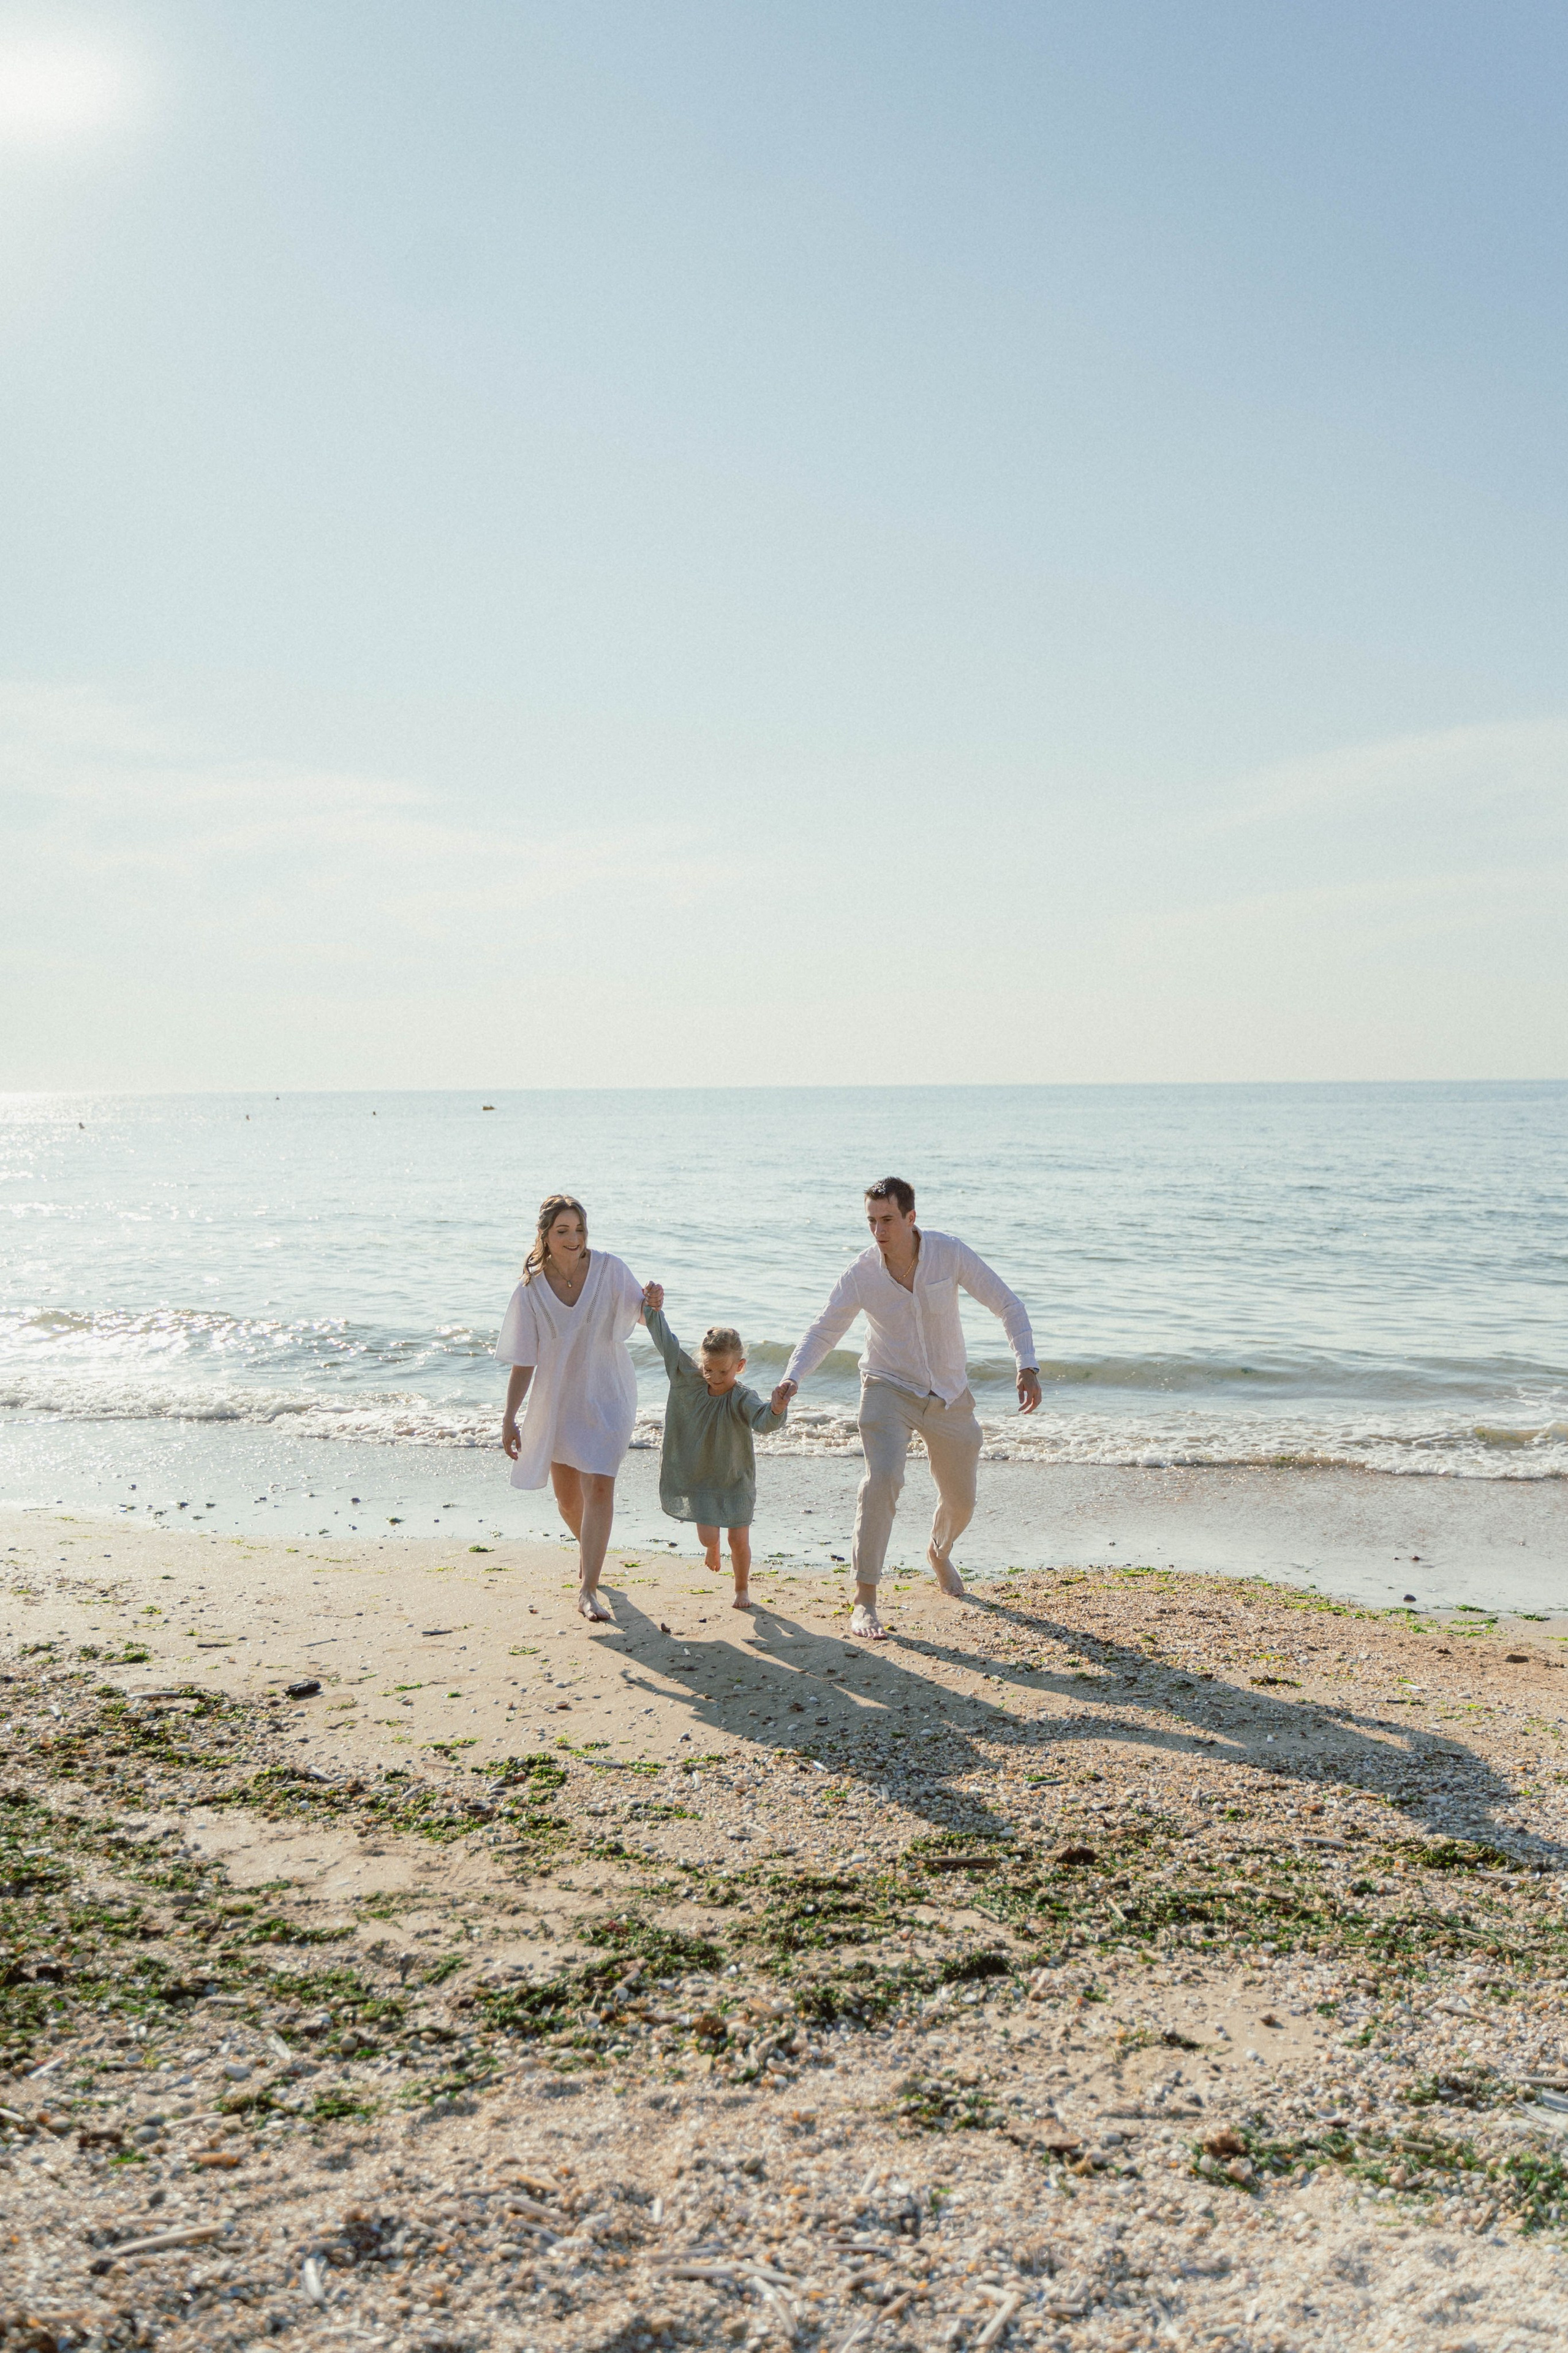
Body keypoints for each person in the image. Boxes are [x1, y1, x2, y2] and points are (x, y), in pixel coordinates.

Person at [775, 1177, 1041, 1639]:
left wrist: (1027, 1364)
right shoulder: (861, 1273)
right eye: (872, 1222)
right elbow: (824, 1330)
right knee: (882, 1480)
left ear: (911, 1218)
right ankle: (865, 1600)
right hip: (887, 1386)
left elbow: (1008, 1304)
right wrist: (792, 1376)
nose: (879, 1231)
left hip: (949, 1395)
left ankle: (939, 1551)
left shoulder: (949, 1253)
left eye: (888, 1220)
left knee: (962, 1500)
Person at [497, 1193, 647, 1623]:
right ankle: (590, 1551)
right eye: (563, 1230)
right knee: (566, 1500)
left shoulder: (608, 1269)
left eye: (578, 1229)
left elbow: (642, 1311)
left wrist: (653, 1297)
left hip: (608, 1394)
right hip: (558, 1404)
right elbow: (524, 1359)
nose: (574, 1238)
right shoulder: (530, 1292)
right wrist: (509, 1417)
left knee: (600, 1485)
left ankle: (589, 1587)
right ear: (544, 1235)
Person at [641, 1284, 790, 1609]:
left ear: (740, 1366)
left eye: (723, 1371)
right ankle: (712, 1548)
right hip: (698, 1476)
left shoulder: (742, 1397)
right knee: (709, 1536)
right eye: (708, 1369)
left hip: (734, 1478)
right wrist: (653, 1308)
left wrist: (777, 1407)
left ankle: (741, 1589)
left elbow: (764, 1422)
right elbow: (666, 1342)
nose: (714, 1376)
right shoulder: (688, 1380)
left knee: (739, 1539)